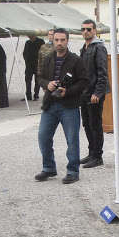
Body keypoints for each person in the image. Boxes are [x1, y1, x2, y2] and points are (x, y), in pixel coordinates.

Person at [35, 28, 89, 184]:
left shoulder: (75, 60)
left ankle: (73, 171)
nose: (59, 43)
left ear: (67, 41)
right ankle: (49, 168)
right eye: (56, 40)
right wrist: (47, 84)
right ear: (53, 40)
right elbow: (39, 77)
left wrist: (68, 91)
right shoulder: (48, 58)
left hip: (69, 106)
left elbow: (84, 81)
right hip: (50, 105)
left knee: (72, 140)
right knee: (43, 137)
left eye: (62, 40)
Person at [79, 20, 110, 169]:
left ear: (95, 30)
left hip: (94, 93)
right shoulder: (84, 48)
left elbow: (103, 73)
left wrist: (98, 92)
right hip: (84, 92)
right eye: (83, 29)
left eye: (89, 29)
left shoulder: (99, 48)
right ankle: (91, 152)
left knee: (95, 124)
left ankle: (98, 156)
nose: (86, 32)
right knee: (86, 124)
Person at [22, 33, 45, 102]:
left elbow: (42, 52)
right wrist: (26, 60)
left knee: (37, 80)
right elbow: (24, 53)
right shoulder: (28, 42)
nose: (29, 36)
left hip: (37, 64)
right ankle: (28, 95)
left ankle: (36, 95)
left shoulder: (40, 41)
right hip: (29, 65)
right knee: (28, 80)